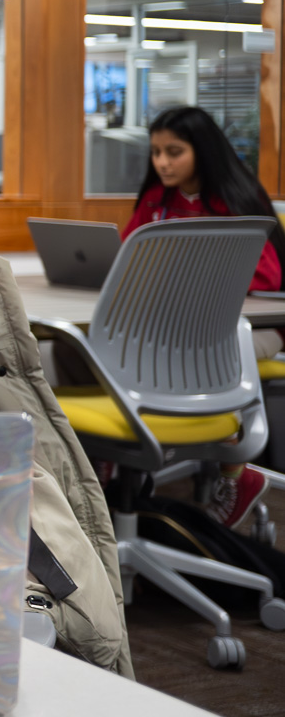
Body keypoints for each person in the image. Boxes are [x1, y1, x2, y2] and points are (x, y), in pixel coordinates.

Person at [121, 105, 284, 527]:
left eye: (174, 152)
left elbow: (266, 277)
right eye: (156, 152)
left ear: (202, 152)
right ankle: (115, 464)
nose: (162, 162)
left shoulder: (233, 202)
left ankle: (236, 473)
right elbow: (126, 256)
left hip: (251, 330)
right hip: (173, 327)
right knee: (93, 350)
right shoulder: (158, 201)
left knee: (201, 352)